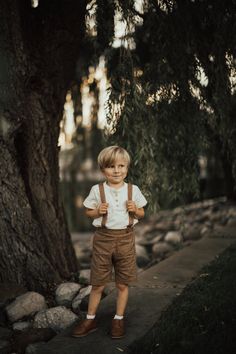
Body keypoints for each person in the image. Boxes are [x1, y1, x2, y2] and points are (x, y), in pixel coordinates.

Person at [72, 146, 147, 339]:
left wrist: (135, 209)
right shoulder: (97, 190)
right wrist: (98, 212)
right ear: (103, 170)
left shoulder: (133, 190)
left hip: (125, 238)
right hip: (103, 238)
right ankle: (90, 319)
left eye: (121, 166)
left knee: (122, 283)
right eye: (111, 166)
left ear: (127, 169)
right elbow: (88, 212)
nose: (117, 170)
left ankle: (118, 318)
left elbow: (142, 213)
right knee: (98, 283)